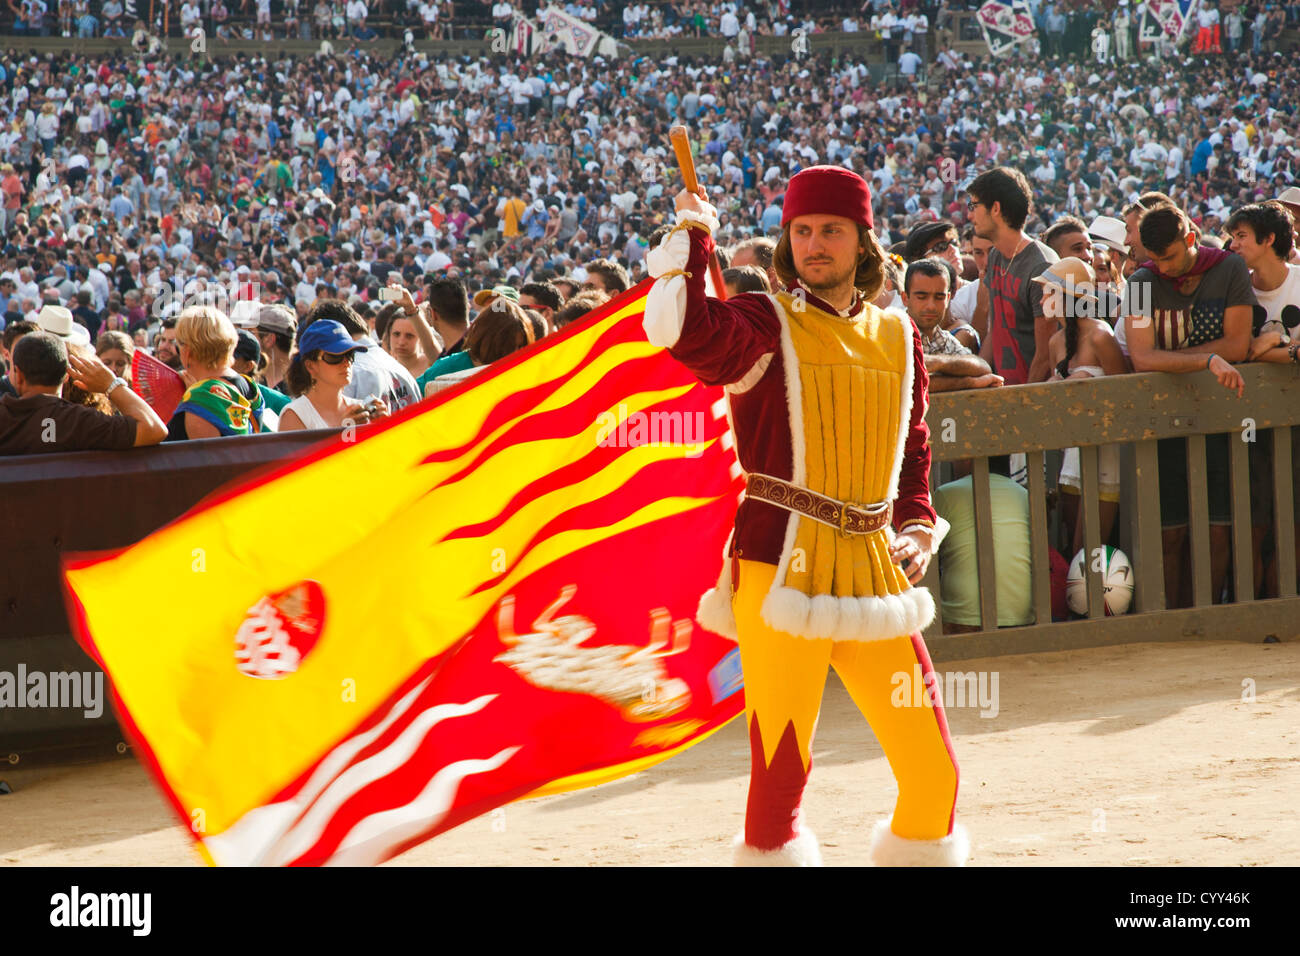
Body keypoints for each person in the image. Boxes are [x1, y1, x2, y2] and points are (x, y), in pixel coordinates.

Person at [648, 165, 966, 866]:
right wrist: (694, 236)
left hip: (872, 569)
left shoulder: (899, 335)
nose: (814, 244)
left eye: (830, 230)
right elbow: (685, 332)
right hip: (777, 569)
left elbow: (912, 454)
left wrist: (916, 524)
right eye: (802, 231)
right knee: (782, 775)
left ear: (863, 242)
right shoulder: (764, 321)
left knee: (934, 774)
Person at [1124, 205, 1254, 608]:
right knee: (1169, 533)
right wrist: (1207, 360)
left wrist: (1198, 358)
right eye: (1154, 258)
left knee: (1220, 531)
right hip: (1163, 423)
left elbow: (1237, 346)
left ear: (1191, 239)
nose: (1162, 267)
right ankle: (1175, 619)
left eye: (1170, 256)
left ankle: (1210, 616)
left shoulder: (1229, 269)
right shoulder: (1143, 280)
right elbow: (1142, 358)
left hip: (1224, 418)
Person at [1036, 257, 1126, 557]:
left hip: (1107, 454)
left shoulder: (1101, 335)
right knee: (1071, 544)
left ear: (1067, 295)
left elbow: (1126, 395)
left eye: (1048, 291)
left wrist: (1087, 385)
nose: (1041, 299)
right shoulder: (1056, 342)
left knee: (1091, 548)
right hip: (1070, 455)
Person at [0, 332, 166, 454]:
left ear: (18, 375)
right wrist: (111, 384)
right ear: (66, 377)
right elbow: (154, 429)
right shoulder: (79, 421)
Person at [968, 167, 1059, 385]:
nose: (969, 215)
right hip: (1004, 395)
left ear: (996, 208)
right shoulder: (997, 256)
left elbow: (1046, 355)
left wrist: (1023, 401)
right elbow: (996, 330)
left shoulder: (1042, 266)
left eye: (974, 206)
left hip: (1034, 398)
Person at [932, 455, 1034, 632]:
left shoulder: (946, 493)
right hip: (1020, 615)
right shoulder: (1024, 495)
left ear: (966, 458)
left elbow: (931, 553)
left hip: (961, 617)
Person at [166, 306, 266, 441]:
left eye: (179, 345)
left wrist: (196, 393)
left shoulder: (201, 397)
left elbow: (209, 460)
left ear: (188, 351)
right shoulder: (249, 384)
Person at [901, 258, 1001, 392]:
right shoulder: (892, 332)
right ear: (905, 298)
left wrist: (936, 363)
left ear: (948, 299)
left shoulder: (942, 338)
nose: (931, 306)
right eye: (922, 297)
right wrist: (969, 382)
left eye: (939, 298)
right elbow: (908, 383)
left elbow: (982, 367)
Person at [279, 319, 389, 431]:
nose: (346, 362)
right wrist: (341, 432)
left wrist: (383, 428)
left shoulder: (360, 410)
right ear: (310, 366)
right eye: (334, 357)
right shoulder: (295, 414)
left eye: (350, 355)